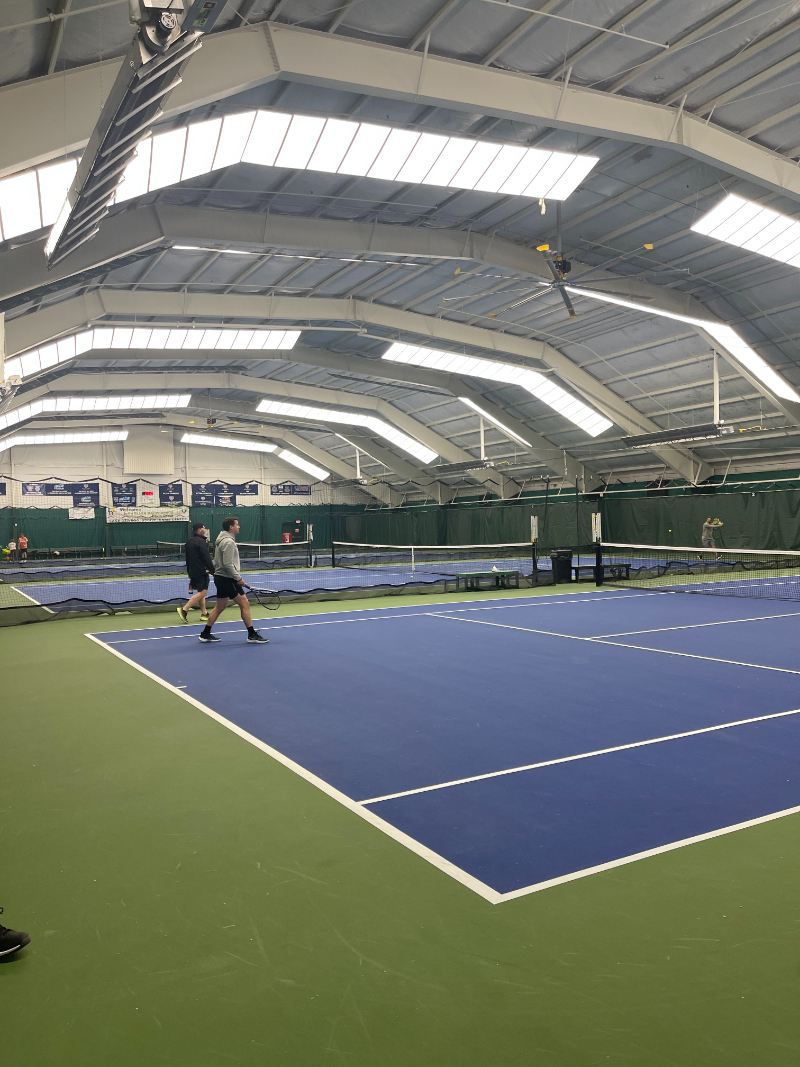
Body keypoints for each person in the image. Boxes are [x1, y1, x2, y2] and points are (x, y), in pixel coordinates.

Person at [198, 517, 268, 644]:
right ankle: (252, 634)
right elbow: (228, 564)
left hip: (221, 578)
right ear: (231, 527)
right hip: (227, 579)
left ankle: (205, 633)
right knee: (244, 603)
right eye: (237, 524)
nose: (239, 526)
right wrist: (238, 578)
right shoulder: (229, 543)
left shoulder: (222, 540)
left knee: (220, 606)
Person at [176, 523, 214, 624]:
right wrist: (212, 569)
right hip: (201, 571)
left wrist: (189, 571)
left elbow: (188, 558)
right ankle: (184, 610)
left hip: (193, 571)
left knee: (201, 592)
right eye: (203, 527)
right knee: (203, 592)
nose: (205, 529)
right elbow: (206, 557)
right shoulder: (201, 542)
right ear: (199, 530)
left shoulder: (189, 542)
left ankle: (204, 613)